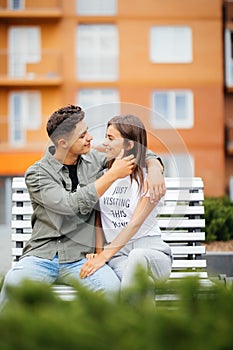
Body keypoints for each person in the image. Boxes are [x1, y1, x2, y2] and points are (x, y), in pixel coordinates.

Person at [0, 105, 165, 309]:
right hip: (42, 256)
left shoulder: (93, 160)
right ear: (63, 142)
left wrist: (155, 166)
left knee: (111, 289)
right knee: (13, 287)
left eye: (87, 131)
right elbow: (69, 206)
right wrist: (113, 175)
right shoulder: (37, 174)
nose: (90, 138)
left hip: (80, 258)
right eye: (82, 135)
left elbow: (134, 148)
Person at [80, 114, 172, 289]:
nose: (104, 142)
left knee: (137, 258)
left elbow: (134, 224)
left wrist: (103, 256)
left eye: (110, 138)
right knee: (142, 285)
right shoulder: (105, 176)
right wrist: (98, 252)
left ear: (129, 144)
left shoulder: (149, 178)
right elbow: (99, 218)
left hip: (152, 254)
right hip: (118, 256)